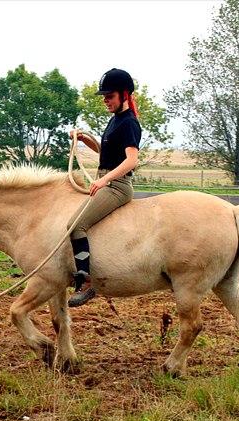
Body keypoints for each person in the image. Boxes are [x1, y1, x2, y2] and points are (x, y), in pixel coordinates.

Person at [67, 68, 142, 307]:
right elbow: (106, 152)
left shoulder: (129, 123)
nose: (105, 100)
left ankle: (86, 282)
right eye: (104, 96)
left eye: (109, 96)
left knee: (76, 225)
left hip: (117, 186)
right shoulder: (116, 120)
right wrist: (83, 139)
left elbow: (131, 160)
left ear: (123, 95)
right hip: (107, 181)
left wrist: (103, 180)